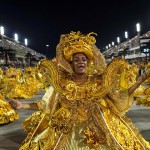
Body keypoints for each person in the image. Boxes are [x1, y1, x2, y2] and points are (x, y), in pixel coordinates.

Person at [10, 31, 150, 150]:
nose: (81, 62)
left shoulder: (97, 81)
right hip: (67, 132)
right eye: (76, 60)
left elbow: (119, 96)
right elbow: (45, 105)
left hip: (97, 130)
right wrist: (22, 105)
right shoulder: (62, 84)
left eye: (83, 59)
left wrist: (139, 81)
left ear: (88, 63)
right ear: (71, 64)